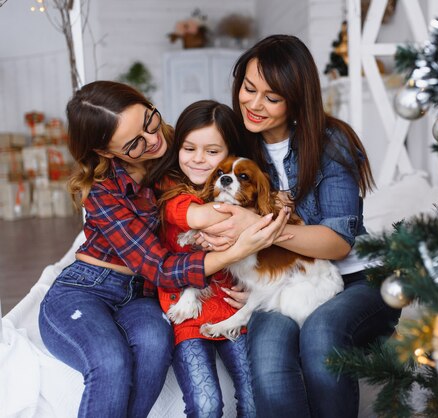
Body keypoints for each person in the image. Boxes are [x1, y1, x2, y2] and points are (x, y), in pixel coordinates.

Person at [38, 81, 290, 418]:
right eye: (134, 144)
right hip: (88, 287)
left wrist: (274, 201)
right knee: (111, 362)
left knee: (155, 346)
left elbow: (234, 169)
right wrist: (232, 250)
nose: (153, 139)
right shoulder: (103, 192)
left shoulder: (182, 148)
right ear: (106, 152)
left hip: (143, 296)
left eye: (150, 121)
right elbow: (158, 267)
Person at [197, 34, 402, 418]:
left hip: (360, 281)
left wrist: (262, 226)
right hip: (284, 281)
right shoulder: (240, 143)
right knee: (268, 357)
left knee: (321, 336)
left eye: (271, 98)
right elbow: (193, 169)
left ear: (296, 100)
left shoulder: (330, 142)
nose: (254, 104)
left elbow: (338, 243)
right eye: (248, 88)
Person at [156, 100, 255, 417]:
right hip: (185, 311)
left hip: (229, 306)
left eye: (212, 152)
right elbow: (192, 216)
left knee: (255, 397)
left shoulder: (240, 187)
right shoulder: (169, 188)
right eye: (189, 148)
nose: (198, 159)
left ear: (230, 154)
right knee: (206, 403)